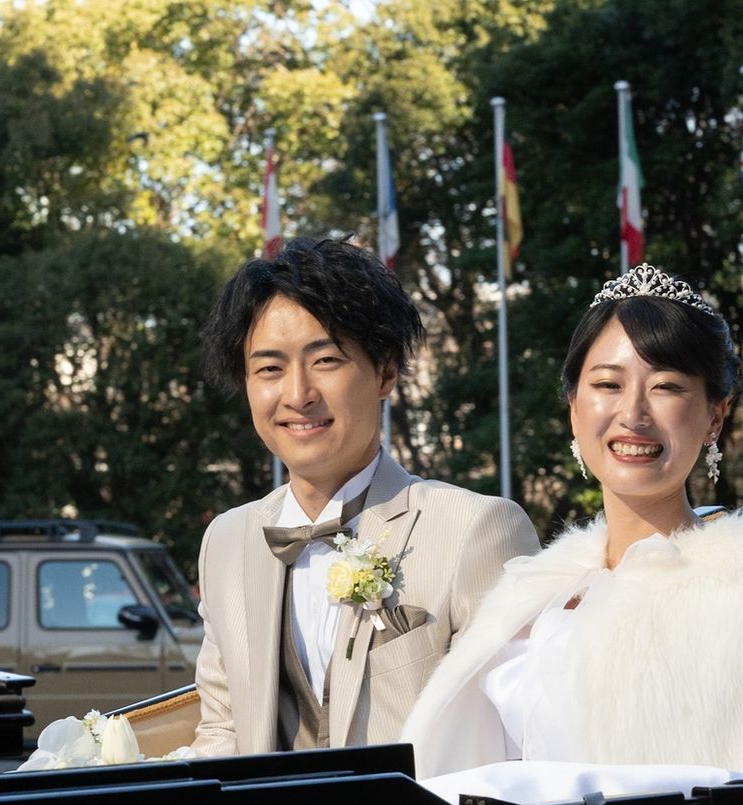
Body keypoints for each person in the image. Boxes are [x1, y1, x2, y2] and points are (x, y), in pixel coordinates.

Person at [402, 263, 743, 784]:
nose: (633, 414)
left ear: (715, 416)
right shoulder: (531, 589)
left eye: (666, 386)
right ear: (573, 409)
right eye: (607, 384)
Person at [192, 235, 540, 756]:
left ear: (385, 371)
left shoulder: (478, 529)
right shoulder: (227, 540)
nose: (297, 394)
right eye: (269, 369)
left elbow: (511, 739)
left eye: (326, 360)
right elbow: (221, 729)